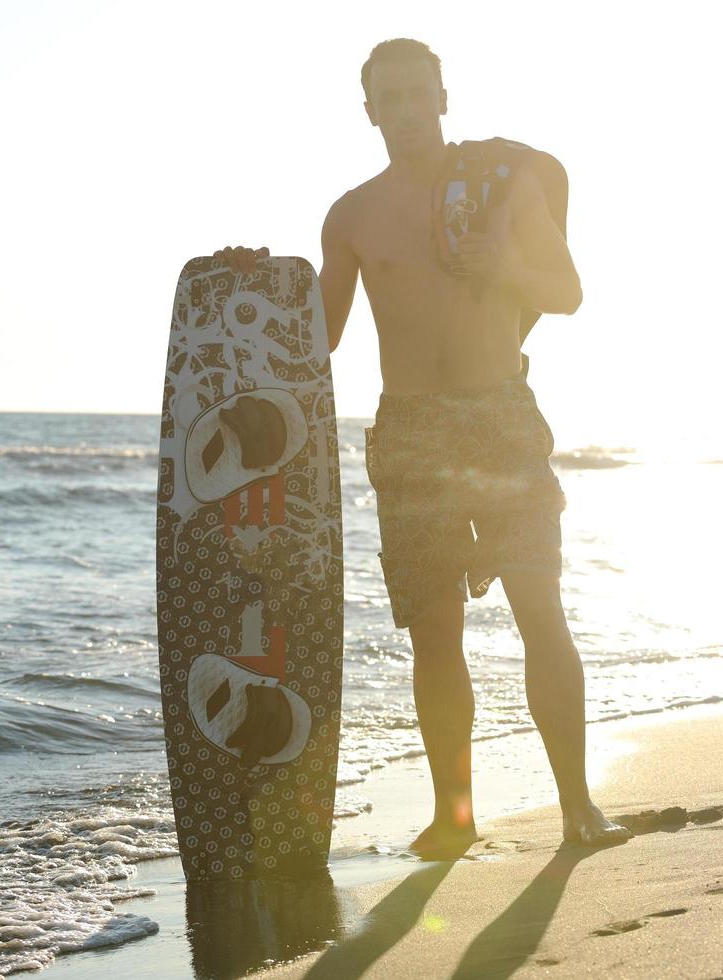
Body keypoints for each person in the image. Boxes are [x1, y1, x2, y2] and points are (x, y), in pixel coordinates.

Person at [216, 38, 631, 859]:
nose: (405, 111)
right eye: (388, 98)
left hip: (500, 420)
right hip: (409, 433)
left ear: (444, 97)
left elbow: (569, 291)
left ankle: (579, 808)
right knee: (434, 634)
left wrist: (505, 261)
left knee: (539, 613)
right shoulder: (353, 215)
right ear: (368, 110)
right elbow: (318, 338)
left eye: (418, 94)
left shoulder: (501, 189)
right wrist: (258, 285)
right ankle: (455, 815)